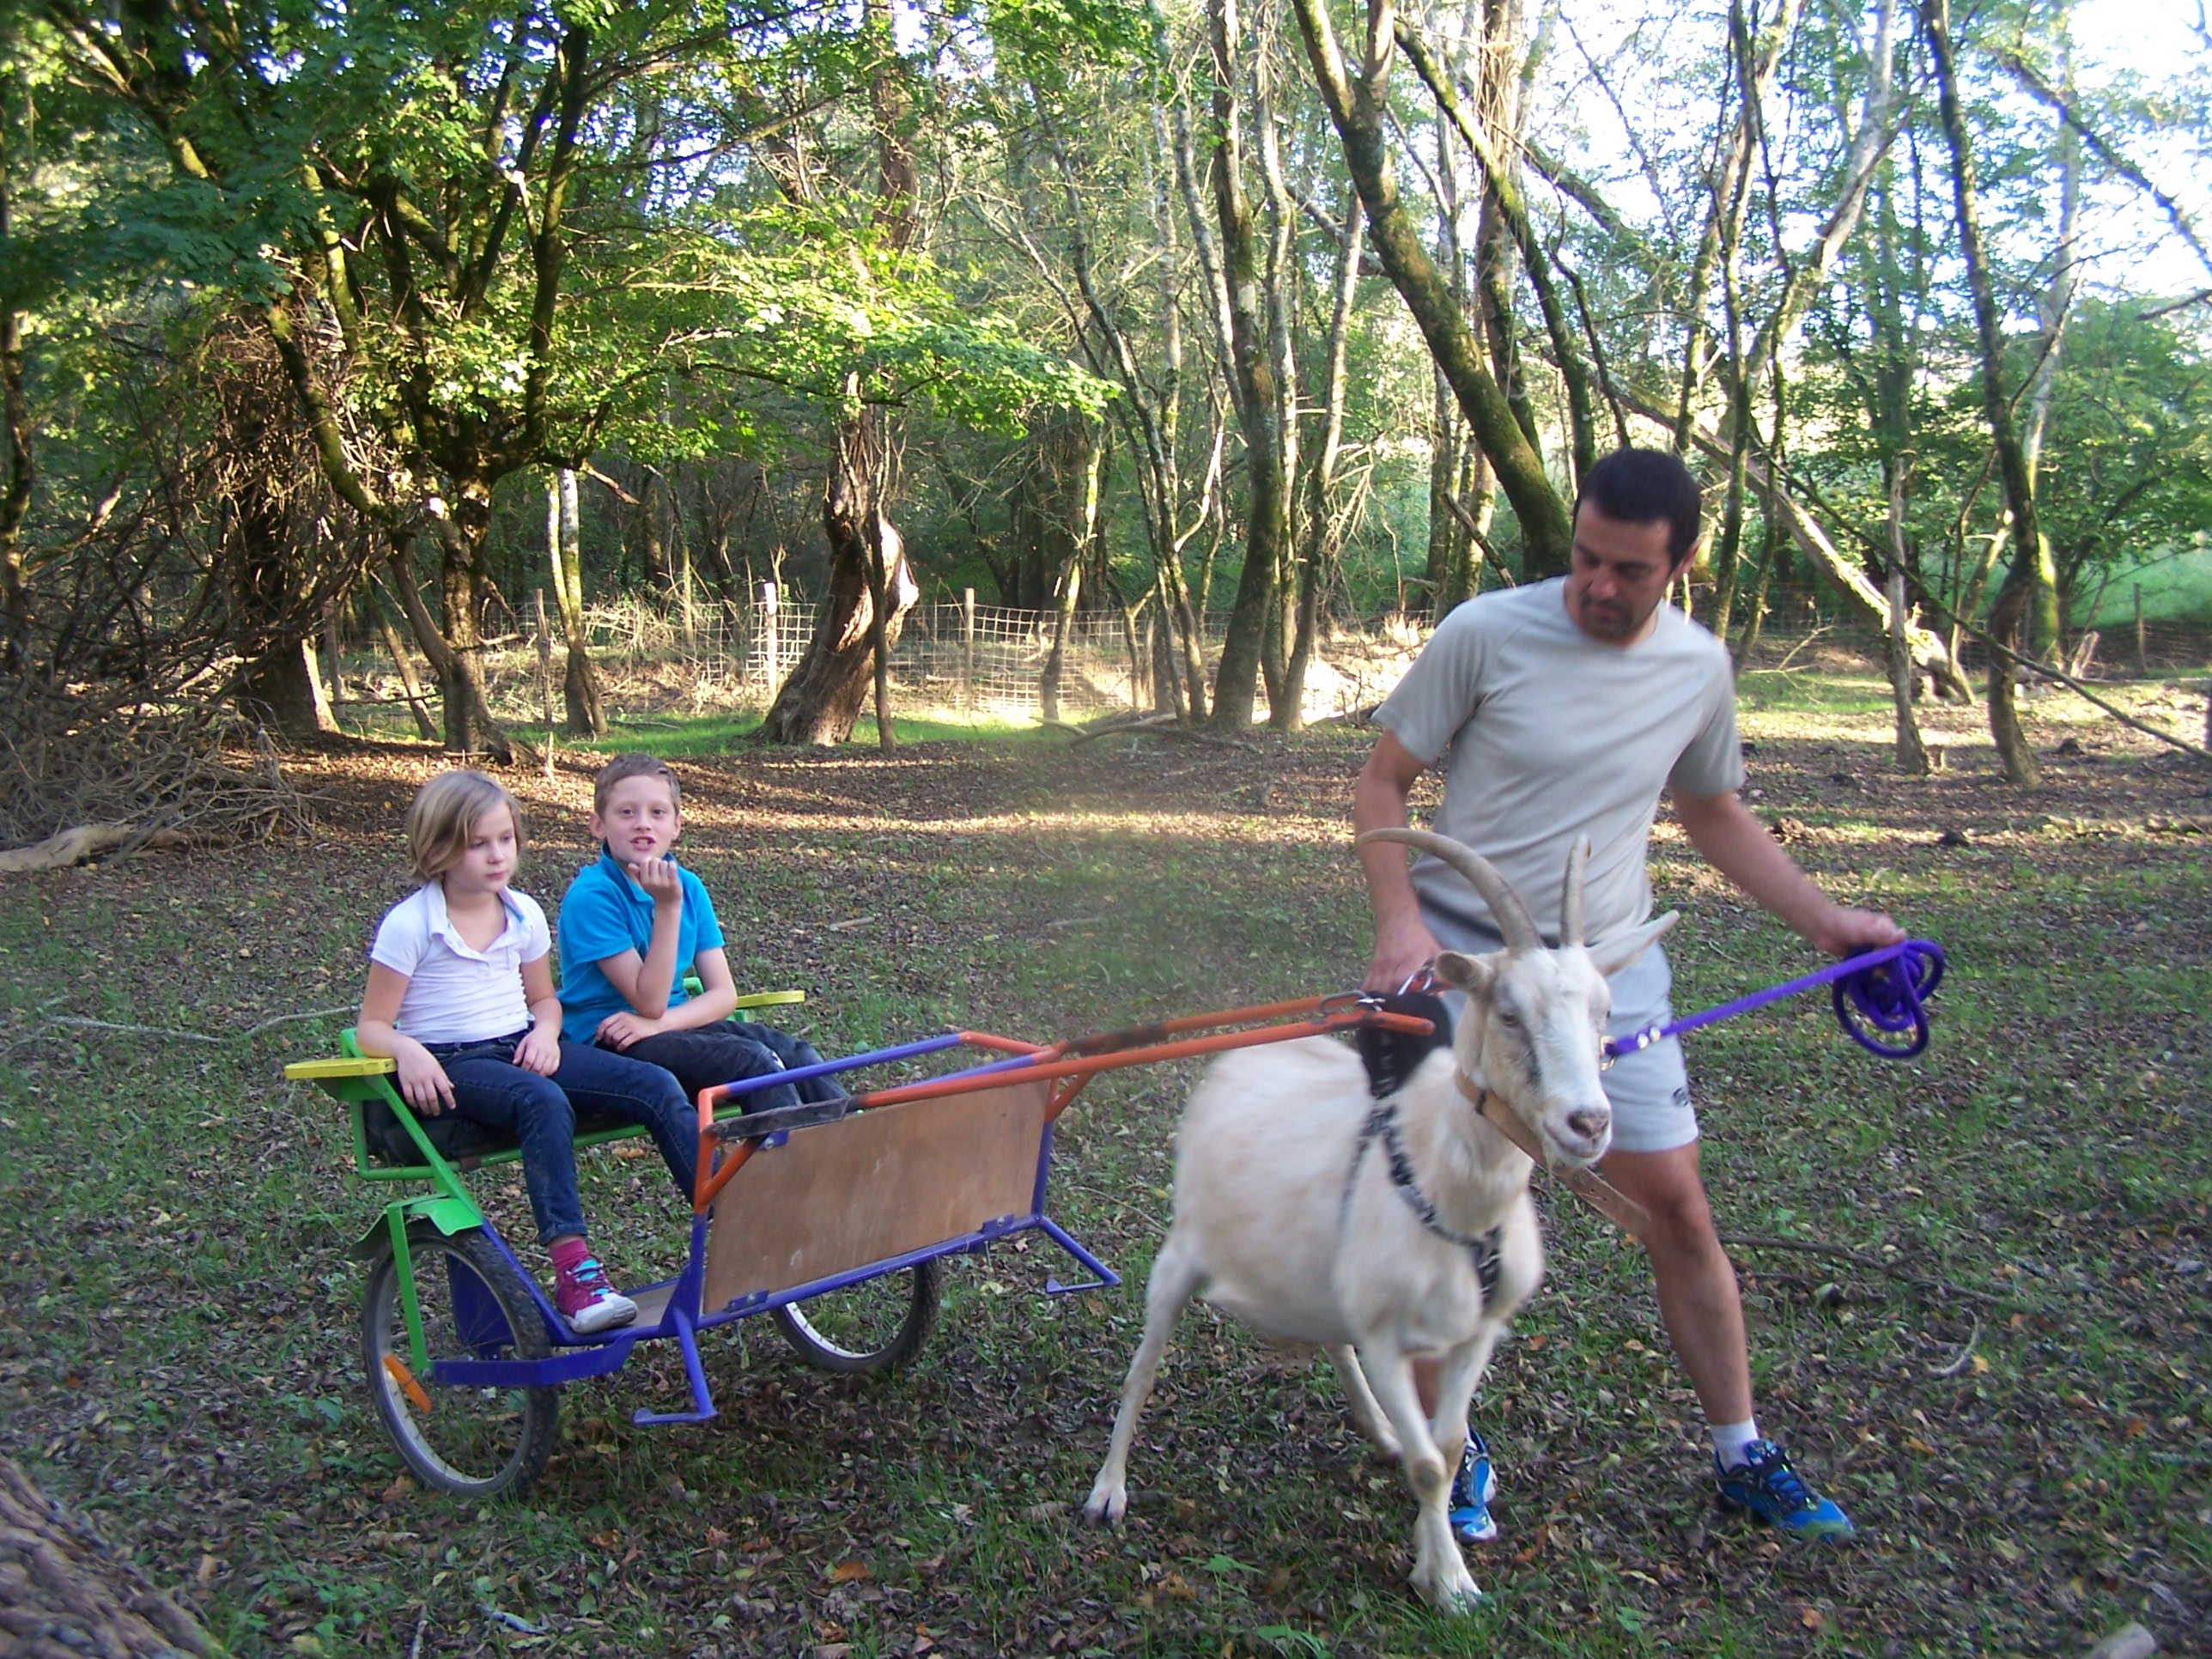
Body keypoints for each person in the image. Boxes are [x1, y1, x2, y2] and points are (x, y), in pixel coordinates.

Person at [1354, 447, 1899, 1546]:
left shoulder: (1697, 669)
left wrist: (1824, 923)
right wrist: (1399, 921)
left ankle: (1741, 1452)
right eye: (1585, 560)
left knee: (1679, 1212)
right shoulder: (1484, 632)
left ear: (1680, 565)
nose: (1598, 587)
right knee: (1431, 1228)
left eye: (1629, 571)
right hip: (1464, 971)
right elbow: (1380, 781)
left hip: (1603, 981)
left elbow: (1712, 814)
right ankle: (1445, 1453)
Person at [355, 769, 700, 1336]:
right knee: (542, 1101)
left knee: (654, 1081)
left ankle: (732, 1225)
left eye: (506, 840)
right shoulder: (411, 923)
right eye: (478, 843)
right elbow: (371, 1025)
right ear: (437, 848)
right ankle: (576, 1280)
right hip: (456, 1062)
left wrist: (543, 1033)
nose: (497, 856)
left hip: (522, 1043)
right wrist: (406, 1051)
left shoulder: (523, 913)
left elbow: (544, 999)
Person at [557, 753, 845, 1116]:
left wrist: (661, 1025)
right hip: (610, 1040)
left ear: (676, 825)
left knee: (799, 1056)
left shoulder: (689, 886)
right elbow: (648, 1002)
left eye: (657, 813)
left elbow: (723, 994)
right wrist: (667, 908)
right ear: (598, 825)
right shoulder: (592, 897)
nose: (642, 824)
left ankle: (848, 1158)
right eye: (626, 813)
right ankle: (780, 1167)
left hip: (672, 1026)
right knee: (752, 1063)